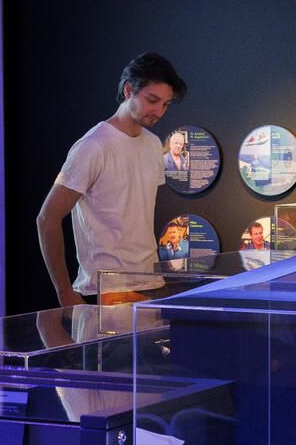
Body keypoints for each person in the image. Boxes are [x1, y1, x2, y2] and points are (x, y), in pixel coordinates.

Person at [36, 53, 185, 309]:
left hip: (150, 282)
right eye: (152, 100)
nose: (159, 111)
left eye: (166, 104)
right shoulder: (93, 146)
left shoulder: (153, 145)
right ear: (128, 90)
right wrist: (64, 292)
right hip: (105, 290)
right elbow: (47, 218)